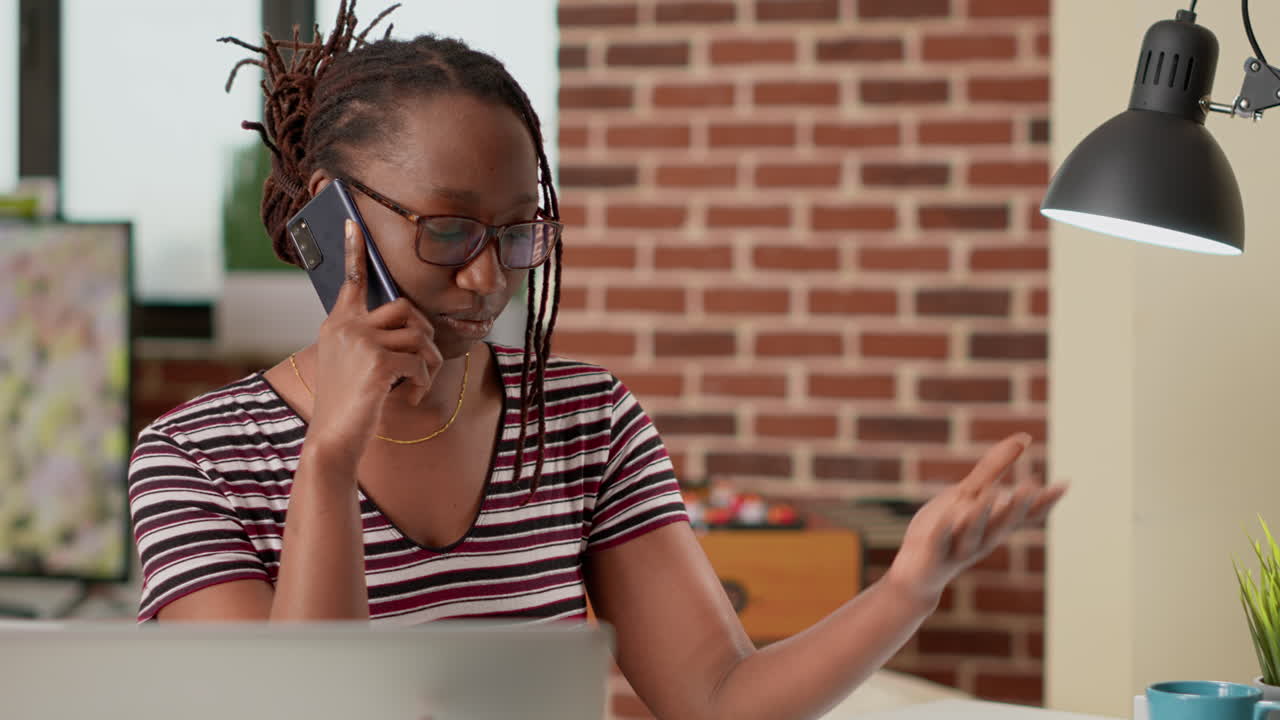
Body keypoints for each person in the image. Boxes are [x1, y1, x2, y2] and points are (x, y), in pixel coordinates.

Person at [127, 2, 1067, 717]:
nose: (491, 277)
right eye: (449, 230)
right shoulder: (193, 459)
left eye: (517, 232)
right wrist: (328, 463)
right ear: (331, 217)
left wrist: (911, 586)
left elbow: (719, 698)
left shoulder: (585, 420)